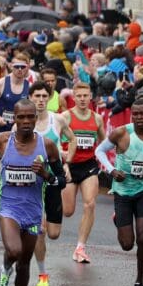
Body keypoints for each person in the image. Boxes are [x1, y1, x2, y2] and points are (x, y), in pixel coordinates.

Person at [0, 99, 65, 286]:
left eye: (30, 117)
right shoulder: (2, 140)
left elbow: (60, 181)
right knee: (14, 250)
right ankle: (3, 270)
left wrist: (46, 174)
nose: (26, 122)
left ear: (35, 118)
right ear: (14, 119)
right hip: (8, 205)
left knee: (24, 264)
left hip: (33, 210)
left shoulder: (47, 145)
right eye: (21, 117)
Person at [96, 98, 143, 286]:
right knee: (127, 244)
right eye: (135, 114)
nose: (139, 117)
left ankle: (139, 282)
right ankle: (119, 219)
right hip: (123, 192)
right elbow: (99, 150)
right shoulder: (121, 133)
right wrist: (111, 170)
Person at [28, 81, 75, 286]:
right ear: (31, 98)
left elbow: (72, 140)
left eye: (44, 96)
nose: (40, 100)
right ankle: (42, 274)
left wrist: (66, 163)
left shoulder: (58, 120)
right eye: (36, 96)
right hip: (32, 182)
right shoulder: (24, 122)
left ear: (49, 98)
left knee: (54, 233)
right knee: (40, 230)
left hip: (53, 179)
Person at [60, 82, 105, 264]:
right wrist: (61, 158)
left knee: (90, 204)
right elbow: (54, 139)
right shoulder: (65, 117)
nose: (82, 99)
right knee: (68, 211)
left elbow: (104, 142)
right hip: (69, 166)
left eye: (85, 96)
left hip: (88, 166)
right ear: (74, 97)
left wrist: (106, 158)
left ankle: (80, 247)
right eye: (79, 96)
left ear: (90, 97)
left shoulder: (97, 119)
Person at [0, 52, 31, 133]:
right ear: (11, 66)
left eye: (22, 67)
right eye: (17, 66)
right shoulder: (1, 83)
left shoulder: (29, 86)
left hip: (20, 130)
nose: (20, 69)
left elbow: (33, 109)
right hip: (1, 128)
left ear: (27, 67)